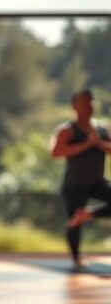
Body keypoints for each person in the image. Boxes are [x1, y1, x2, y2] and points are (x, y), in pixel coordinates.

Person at [49, 89, 111, 270]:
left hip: (97, 181)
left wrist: (98, 143)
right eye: (83, 103)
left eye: (90, 102)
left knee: (79, 217)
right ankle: (76, 259)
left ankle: (88, 214)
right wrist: (86, 144)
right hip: (74, 184)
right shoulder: (66, 130)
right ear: (74, 106)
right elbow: (55, 152)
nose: (88, 107)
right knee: (73, 223)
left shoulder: (102, 128)